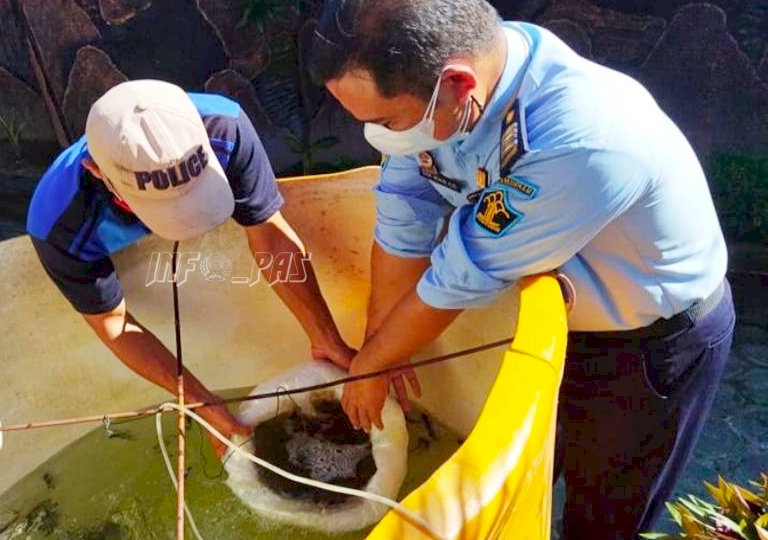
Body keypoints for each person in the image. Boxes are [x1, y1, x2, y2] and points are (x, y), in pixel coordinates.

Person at [308, 0, 734, 537]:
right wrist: (377, 345)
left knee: (605, 519)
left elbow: (457, 275)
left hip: (647, 348)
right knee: (515, 492)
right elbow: (403, 213)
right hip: (551, 323)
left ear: (458, 85)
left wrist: (372, 367)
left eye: (386, 122)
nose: (379, 138)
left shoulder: (578, 138)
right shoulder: (462, 75)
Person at [26, 80, 355, 456]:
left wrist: (326, 336)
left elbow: (271, 235)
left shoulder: (225, 126)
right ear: (96, 171)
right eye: (162, 204)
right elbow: (114, 325)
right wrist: (202, 403)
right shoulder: (58, 222)